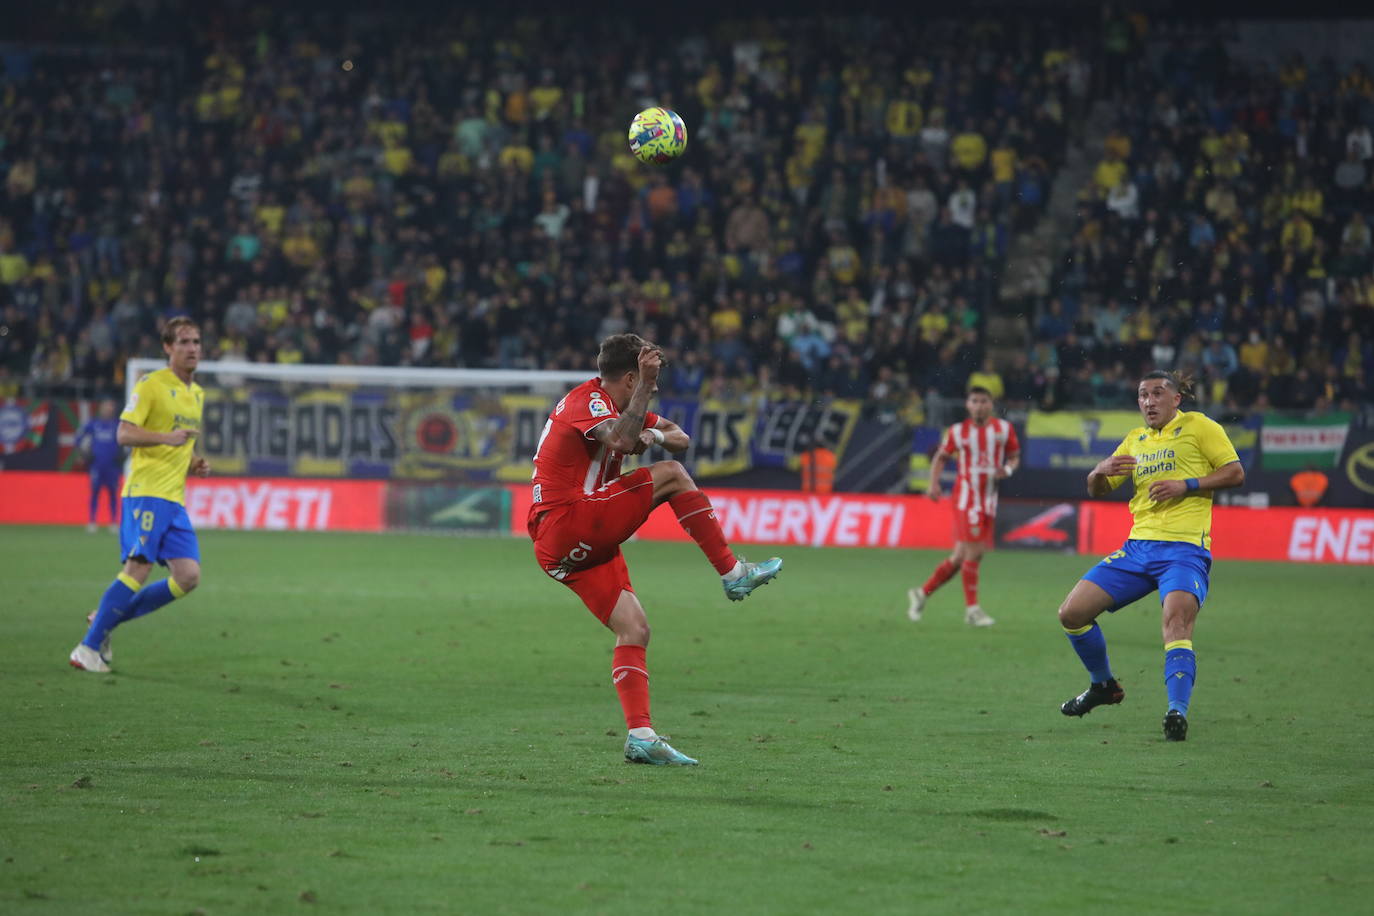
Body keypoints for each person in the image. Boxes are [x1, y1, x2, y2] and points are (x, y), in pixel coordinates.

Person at [529, 333, 783, 766]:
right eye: (648, 379)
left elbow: (679, 436)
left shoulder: (625, 407)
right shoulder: (585, 401)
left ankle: (640, 736)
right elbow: (620, 441)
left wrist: (652, 430)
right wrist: (643, 415)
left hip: (564, 546)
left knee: (635, 629)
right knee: (672, 475)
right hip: (569, 518)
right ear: (630, 378)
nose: (655, 386)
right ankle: (732, 573)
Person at [1056, 370, 1245, 742]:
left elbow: (1235, 472)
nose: (1148, 401)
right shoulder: (1135, 440)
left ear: (1176, 399)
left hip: (1185, 549)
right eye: (1142, 395)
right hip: (1137, 548)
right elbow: (1097, 489)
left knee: (1176, 623)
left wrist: (1186, 485)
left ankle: (1176, 712)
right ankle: (1103, 686)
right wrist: (1098, 471)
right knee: (1072, 614)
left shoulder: (1199, 426)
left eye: (1157, 394)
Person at [69, 318, 211, 673]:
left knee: (188, 576)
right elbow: (124, 434)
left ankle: (102, 620)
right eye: (183, 342)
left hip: (174, 498)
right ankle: (87, 649)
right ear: (167, 348)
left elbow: (179, 441)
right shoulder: (151, 385)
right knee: (139, 568)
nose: (192, 348)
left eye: (196, 341)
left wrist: (192, 461)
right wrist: (167, 439)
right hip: (147, 492)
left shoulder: (197, 394)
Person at [907, 387, 1020, 627]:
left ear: (991, 404)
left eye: (983, 401)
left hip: (989, 499)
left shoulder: (1003, 429)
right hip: (966, 499)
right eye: (974, 401)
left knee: (959, 557)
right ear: (967, 405)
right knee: (975, 552)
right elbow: (940, 457)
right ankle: (972, 610)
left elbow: (1014, 456)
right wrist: (933, 484)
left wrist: (1007, 470)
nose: (979, 405)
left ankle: (921, 593)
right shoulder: (958, 432)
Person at [76, 398, 124, 533]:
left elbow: (127, 441)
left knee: (113, 493)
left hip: (112, 466)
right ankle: (92, 521)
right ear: (101, 408)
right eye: (107, 406)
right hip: (97, 465)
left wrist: (123, 456)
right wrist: (84, 454)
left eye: (111, 407)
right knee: (95, 492)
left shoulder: (117, 425)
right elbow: (79, 437)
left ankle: (114, 522)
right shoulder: (94, 424)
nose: (109, 409)